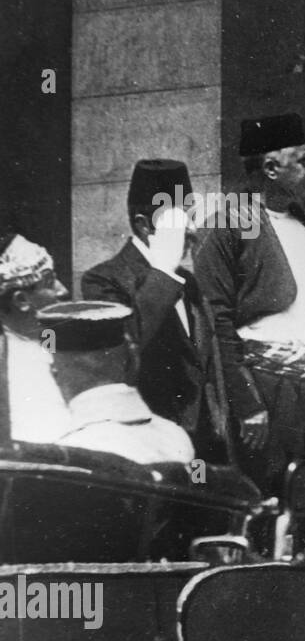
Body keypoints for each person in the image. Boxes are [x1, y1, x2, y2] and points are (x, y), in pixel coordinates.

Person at [195, 113, 305, 496]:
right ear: (270, 167)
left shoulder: (301, 220)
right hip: (274, 395)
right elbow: (218, 322)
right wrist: (247, 403)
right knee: (275, 498)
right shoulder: (231, 223)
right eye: (301, 161)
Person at [81, 159, 230, 462]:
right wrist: (162, 271)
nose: (192, 231)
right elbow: (125, 349)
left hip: (202, 444)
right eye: (180, 220)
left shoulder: (186, 281)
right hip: (150, 446)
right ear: (144, 225)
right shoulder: (103, 280)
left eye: (192, 217)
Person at [41, 301, 194, 464]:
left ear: (54, 372)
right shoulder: (177, 437)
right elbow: (200, 480)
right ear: (133, 359)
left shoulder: (70, 453)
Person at [0, 234, 71, 443]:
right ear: (22, 300)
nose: (63, 290)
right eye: (49, 282)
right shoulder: (13, 367)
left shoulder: (48, 335)